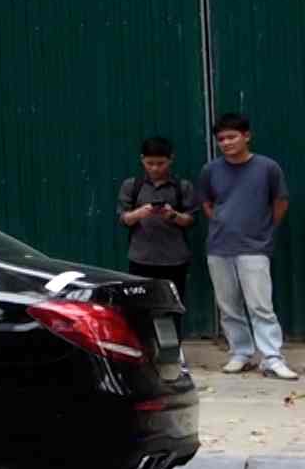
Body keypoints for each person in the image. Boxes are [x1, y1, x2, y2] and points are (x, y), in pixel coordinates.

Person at [198, 113, 297, 381]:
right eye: (221, 139)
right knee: (228, 305)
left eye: (232, 137)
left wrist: (264, 229)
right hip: (219, 247)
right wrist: (222, 222)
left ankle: (272, 358)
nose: (226, 143)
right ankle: (240, 353)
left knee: (260, 305)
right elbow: (206, 203)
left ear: (247, 136)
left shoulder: (268, 168)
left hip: (254, 247)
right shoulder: (210, 170)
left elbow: (280, 201)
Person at [117, 136, 197, 329]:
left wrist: (173, 215)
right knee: (140, 308)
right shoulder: (132, 185)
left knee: (172, 307)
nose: (155, 168)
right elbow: (123, 219)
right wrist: (139, 213)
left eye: (160, 163)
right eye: (150, 163)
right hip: (141, 258)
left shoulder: (182, 186)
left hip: (174, 259)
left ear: (171, 160)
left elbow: (191, 220)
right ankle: (144, 343)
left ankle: (173, 344)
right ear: (142, 160)